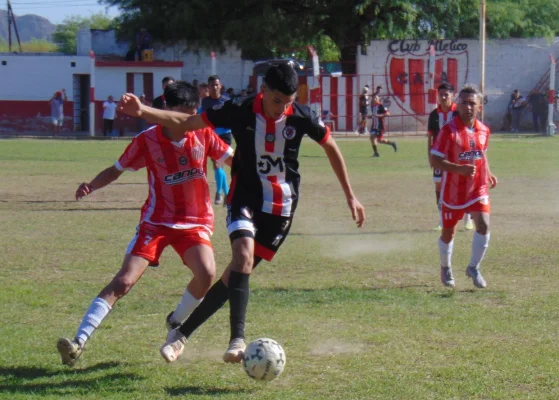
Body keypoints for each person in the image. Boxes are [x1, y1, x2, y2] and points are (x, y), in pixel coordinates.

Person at [118, 63, 365, 364]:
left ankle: (180, 334)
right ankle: (237, 340)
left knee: (235, 273)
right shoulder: (239, 108)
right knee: (242, 258)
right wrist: (143, 111)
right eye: (277, 101)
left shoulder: (300, 116)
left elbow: (331, 146)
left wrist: (350, 195)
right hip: (244, 198)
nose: (281, 109)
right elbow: (186, 122)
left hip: (281, 208)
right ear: (263, 90)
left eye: (288, 103)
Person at [56, 81, 234, 367]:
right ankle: (78, 342)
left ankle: (176, 322)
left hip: (194, 222)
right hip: (156, 222)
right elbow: (116, 170)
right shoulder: (147, 140)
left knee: (207, 273)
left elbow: (231, 160)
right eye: (181, 115)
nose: (187, 122)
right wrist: (91, 185)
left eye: (192, 115)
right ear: (166, 111)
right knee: (124, 280)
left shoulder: (203, 133)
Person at [430, 84, 498, 289]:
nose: (468, 107)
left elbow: (481, 153)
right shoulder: (448, 131)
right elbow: (435, 160)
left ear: (479, 107)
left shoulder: (484, 131)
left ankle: (473, 267)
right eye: (464, 103)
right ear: (457, 105)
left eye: (472, 103)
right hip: (452, 191)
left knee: (483, 224)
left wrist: (488, 171)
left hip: (477, 188)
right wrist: (458, 170)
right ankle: (445, 266)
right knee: (448, 233)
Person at [427, 83, 473, 231]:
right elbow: (430, 138)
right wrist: (430, 157)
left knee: (463, 185)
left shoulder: (458, 112)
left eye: (446, 94)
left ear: (452, 96)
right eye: (441, 94)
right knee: (439, 187)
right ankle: (441, 220)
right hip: (439, 157)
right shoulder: (434, 114)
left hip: (458, 156)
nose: (443, 97)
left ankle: (468, 219)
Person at [202, 75, 233, 205]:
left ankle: (219, 193)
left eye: (216, 84)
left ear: (220, 86)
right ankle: (226, 194)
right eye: (212, 85)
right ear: (208, 87)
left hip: (225, 135)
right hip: (212, 136)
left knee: (219, 164)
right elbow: (202, 118)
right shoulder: (205, 102)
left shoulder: (227, 100)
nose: (214, 87)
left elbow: (233, 117)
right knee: (217, 165)